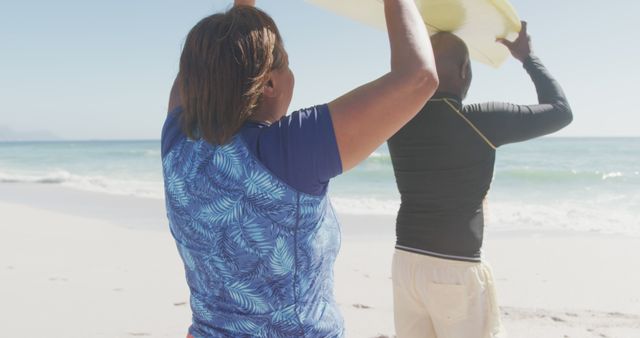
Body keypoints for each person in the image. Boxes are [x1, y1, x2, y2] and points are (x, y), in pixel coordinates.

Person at [161, 0, 438, 337]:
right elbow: (418, 78)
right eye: (287, 65)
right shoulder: (288, 151)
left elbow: (201, 69)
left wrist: (243, 11)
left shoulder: (177, 141)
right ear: (269, 84)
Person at [387, 22, 573, 338]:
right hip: (455, 269)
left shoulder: (395, 119)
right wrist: (528, 59)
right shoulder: (480, 121)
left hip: (405, 262)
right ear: (464, 70)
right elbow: (560, 111)